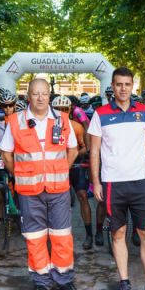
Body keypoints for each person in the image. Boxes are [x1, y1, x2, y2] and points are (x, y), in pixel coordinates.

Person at [0, 79, 83, 290]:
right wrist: (20, 175)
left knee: (62, 237)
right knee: (35, 238)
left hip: (58, 190)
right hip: (29, 190)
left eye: (44, 93)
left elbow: (73, 150)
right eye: (35, 94)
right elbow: (6, 154)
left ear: (50, 95)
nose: (40, 98)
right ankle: (40, 282)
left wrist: (61, 169)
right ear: (28, 96)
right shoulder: (16, 121)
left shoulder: (63, 120)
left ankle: (64, 281)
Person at [88, 66, 145, 290]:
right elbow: (94, 150)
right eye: (118, 84)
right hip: (113, 184)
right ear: (112, 86)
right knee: (118, 234)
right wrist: (96, 181)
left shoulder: (144, 111)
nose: (123, 89)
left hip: (140, 182)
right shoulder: (100, 114)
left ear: (133, 86)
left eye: (127, 84)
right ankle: (124, 283)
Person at [51, 95, 98, 250]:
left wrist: (74, 153)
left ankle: (89, 234)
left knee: (83, 196)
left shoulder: (76, 126)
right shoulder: (47, 126)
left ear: (70, 109)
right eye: (58, 109)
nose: (61, 112)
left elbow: (86, 147)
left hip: (75, 165)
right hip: (55, 168)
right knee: (56, 201)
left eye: (64, 109)